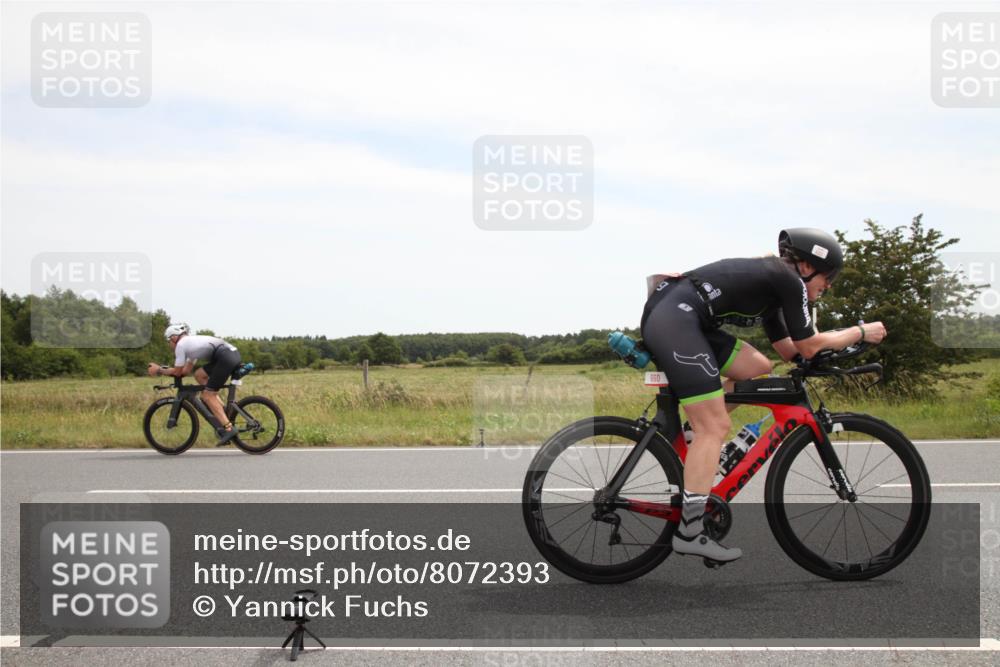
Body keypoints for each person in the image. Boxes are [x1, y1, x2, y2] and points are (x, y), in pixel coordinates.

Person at [640, 228, 887, 563]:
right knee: (715, 427)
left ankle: (691, 435)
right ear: (805, 266)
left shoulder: (776, 288)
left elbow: (791, 350)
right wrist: (860, 332)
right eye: (828, 277)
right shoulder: (789, 281)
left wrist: (827, 358)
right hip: (676, 318)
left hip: (683, 316)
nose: (827, 286)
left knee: (756, 367)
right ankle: (689, 532)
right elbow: (810, 343)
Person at [147, 324, 243, 446]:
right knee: (199, 375)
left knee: (207, 396)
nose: (168, 345)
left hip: (226, 357)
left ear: (173, 338)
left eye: (168, 341)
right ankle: (221, 409)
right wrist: (166, 370)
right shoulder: (190, 345)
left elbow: (177, 372)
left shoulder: (181, 346)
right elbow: (185, 371)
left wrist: (159, 370)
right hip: (230, 354)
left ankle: (229, 429)